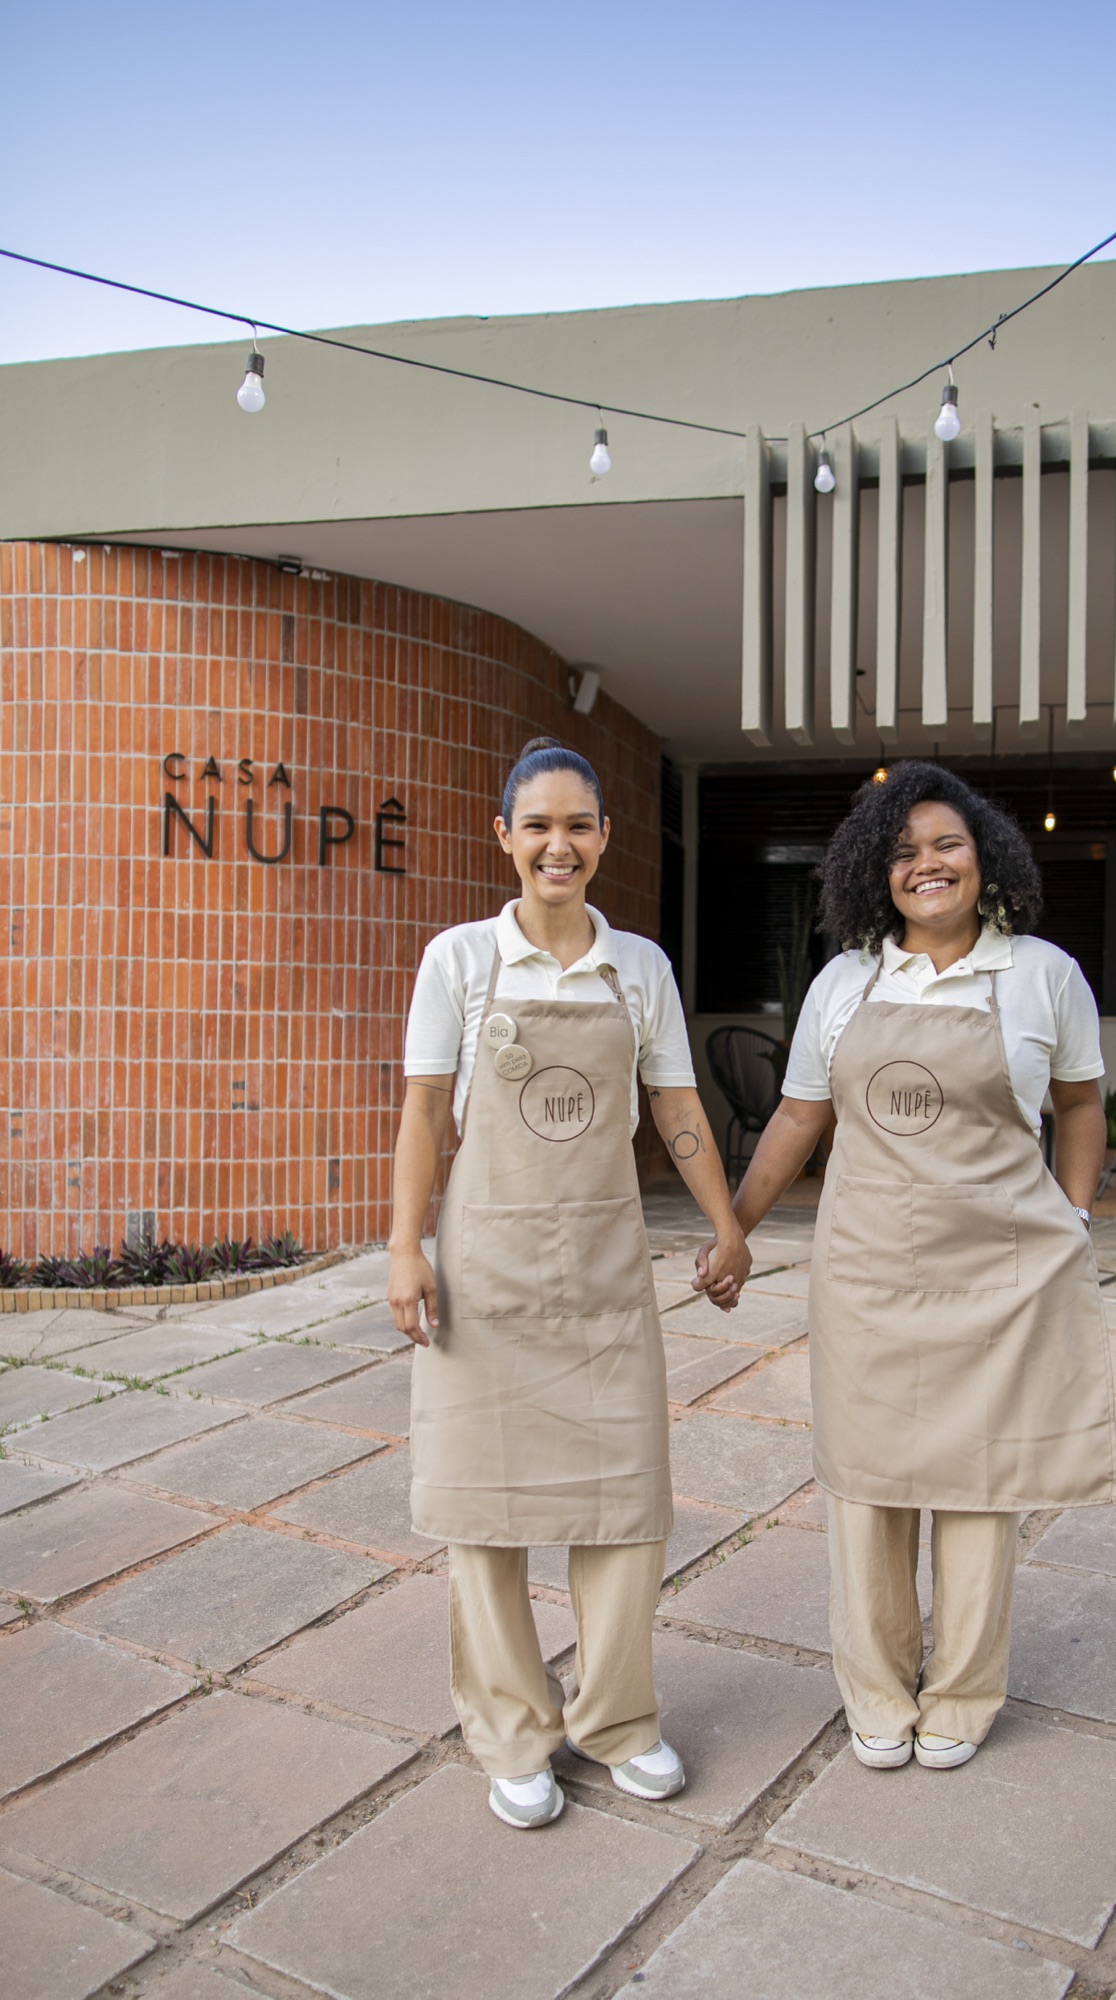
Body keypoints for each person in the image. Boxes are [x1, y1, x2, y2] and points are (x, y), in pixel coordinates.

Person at [717, 761, 1115, 1771]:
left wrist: (1071, 1215)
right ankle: (877, 1689)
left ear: (984, 858)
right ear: (872, 872)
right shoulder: (845, 980)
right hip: (868, 1272)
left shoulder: (1040, 974)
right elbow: (800, 1117)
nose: (925, 865)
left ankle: (967, 1691)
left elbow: (1077, 1102)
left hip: (1000, 1270)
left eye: (945, 844)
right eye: (901, 851)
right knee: (867, 1483)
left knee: (981, 1487)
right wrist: (737, 1228)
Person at [387, 736, 749, 1830]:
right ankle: (512, 1730)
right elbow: (421, 1111)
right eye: (536, 823)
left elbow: (678, 1106)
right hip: (485, 1272)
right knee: (483, 1511)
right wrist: (405, 1244)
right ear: (504, 836)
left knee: (626, 1503)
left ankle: (618, 1718)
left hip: (602, 1272)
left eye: (578, 823)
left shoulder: (639, 965)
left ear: (604, 837)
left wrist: (727, 1226)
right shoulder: (457, 958)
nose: (559, 842)